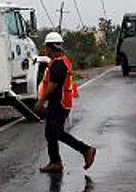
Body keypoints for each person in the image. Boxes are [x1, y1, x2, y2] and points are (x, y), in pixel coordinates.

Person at [34, 32, 96, 174]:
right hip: (58, 103)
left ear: (50, 47)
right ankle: (55, 162)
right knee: (50, 133)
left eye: (46, 47)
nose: (46, 50)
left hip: (60, 104)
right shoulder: (59, 62)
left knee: (57, 133)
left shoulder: (59, 64)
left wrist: (41, 101)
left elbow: (53, 85)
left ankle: (86, 150)